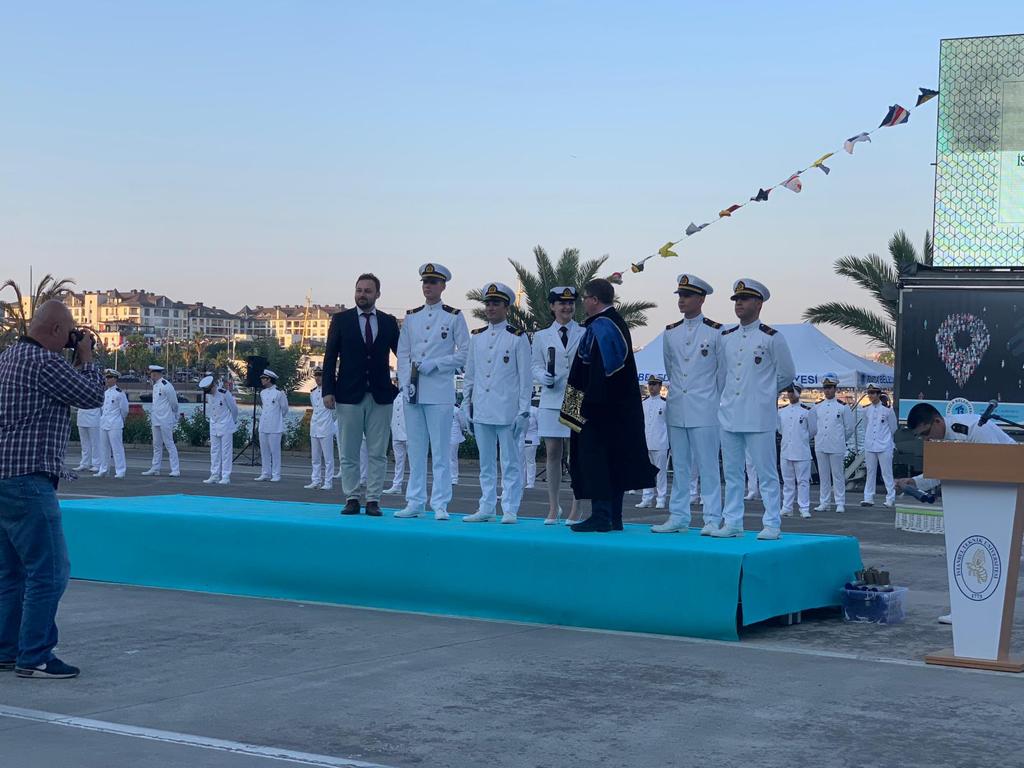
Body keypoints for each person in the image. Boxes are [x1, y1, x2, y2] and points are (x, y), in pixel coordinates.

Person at [0, 300, 104, 678]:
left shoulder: (8, 358)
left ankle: (7, 650)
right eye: (70, 333)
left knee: (10, 573)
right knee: (50, 572)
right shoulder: (44, 363)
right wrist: (87, 358)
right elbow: (92, 396)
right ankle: (37, 655)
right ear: (57, 330)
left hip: (4, 478)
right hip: (29, 480)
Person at [900, 402, 1016, 624]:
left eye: (925, 433)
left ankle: (985, 610)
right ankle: (967, 608)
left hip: (1005, 494)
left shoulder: (973, 428)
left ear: (937, 422)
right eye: (920, 437)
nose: (925, 440)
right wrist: (914, 481)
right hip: (972, 505)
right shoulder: (940, 441)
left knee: (996, 557)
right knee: (971, 556)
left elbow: (997, 463)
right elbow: (941, 471)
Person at [562, 279, 657, 532]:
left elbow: (602, 372)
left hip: (600, 409)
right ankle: (614, 516)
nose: (583, 302)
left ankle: (601, 515)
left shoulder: (604, 326)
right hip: (615, 409)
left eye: (585, 298)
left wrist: (586, 407)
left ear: (594, 300)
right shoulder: (611, 323)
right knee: (615, 459)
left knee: (598, 459)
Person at [713, 279, 795, 540]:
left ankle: (772, 523)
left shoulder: (771, 337)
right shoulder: (726, 337)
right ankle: (732, 521)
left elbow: (786, 374)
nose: (739, 303)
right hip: (730, 414)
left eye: (745, 299)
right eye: (736, 299)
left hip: (759, 415)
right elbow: (722, 375)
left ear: (758, 304)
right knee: (732, 473)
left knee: (766, 472)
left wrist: (764, 393)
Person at [395, 263, 470, 520]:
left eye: (433, 282)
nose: (428, 286)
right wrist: (404, 383)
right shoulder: (412, 316)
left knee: (440, 451)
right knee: (415, 450)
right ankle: (415, 501)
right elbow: (403, 353)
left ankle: (440, 503)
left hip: (439, 391)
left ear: (443, 286)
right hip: (413, 391)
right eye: (425, 282)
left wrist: (437, 364)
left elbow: (465, 353)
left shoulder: (453, 316)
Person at [322, 274, 401, 517]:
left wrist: (402, 384)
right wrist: (328, 390)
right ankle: (352, 497)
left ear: (378, 294)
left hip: (380, 395)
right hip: (348, 395)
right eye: (359, 290)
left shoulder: (388, 322)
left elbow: (403, 354)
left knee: (378, 452)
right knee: (348, 451)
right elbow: (330, 357)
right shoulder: (341, 320)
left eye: (367, 290)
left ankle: (373, 499)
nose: (362, 294)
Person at [653, 273, 724, 534]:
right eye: (680, 295)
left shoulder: (716, 331)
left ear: (701, 299)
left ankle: (712, 518)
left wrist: (711, 400)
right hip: (677, 407)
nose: (681, 300)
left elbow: (722, 374)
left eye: (687, 295)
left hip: (705, 408)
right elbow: (670, 368)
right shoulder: (670, 332)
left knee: (708, 466)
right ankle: (678, 516)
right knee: (680, 466)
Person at [461, 282, 533, 524]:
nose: (491, 308)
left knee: (510, 462)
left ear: (506, 307)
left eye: (496, 303)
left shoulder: (517, 338)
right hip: (482, 408)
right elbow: (470, 375)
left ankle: (510, 507)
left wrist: (523, 411)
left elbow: (525, 379)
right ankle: (487, 506)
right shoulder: (477, 337)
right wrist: (466, 405)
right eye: (488, 303)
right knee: (486, 463)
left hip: (507, 410)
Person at [531, 286, 586, 524]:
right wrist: (541, 376)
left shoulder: (584, 332)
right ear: (552, 306)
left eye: (570, 303)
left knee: (577, 455)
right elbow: (535, 364)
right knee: (553, 453)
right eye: (561, 303)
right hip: (551, 398)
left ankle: (577, 507)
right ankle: (554, 507)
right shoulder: (542, 336)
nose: (567, 307)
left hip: (575, 397)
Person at [813, 376, 854, 513]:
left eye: (830, 387)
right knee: (823, 476)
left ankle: (840, 502)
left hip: (836, 445)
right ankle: (824, 502)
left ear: (835, 389)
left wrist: (840, 439)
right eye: (825, 388)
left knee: (837, 475)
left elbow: (849, 428)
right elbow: (814, 426)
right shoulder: (817, 406)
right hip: (821, 444)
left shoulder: (843, 407)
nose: (827, 390)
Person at [777, 382, 817, 518]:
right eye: (789, 391)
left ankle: (804, 508)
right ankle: (787, 507)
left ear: (799, 393)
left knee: (803, 481)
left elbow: (813, 430)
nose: (790, 394)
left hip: (801, 451)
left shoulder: (807, 411)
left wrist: (801, 439)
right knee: (787, 482)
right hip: (786, 450)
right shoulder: (782, 411)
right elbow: (780, 430)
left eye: (793, 391)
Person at [860, 384, 897, 508]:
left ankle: (890, 498)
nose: (870, 395)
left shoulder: (887, 410)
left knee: (887, 473)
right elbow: (866, 426)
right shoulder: (866, 410)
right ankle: (868, 497)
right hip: (870, 444)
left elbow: (893, 427)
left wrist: (886, 439)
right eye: (869, 393)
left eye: (873, 393)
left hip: (884, 445)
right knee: (870, 472)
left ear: (878, 394)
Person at [141, 364, 180, 477]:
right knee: (156, 445)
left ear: (156, 374)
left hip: (165, 419)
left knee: (169, 444)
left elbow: (174, 403)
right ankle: (155, 468)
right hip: (156, 419)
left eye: (152, 374)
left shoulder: (166, 385)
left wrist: (174, 415)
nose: (151, 376)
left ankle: (175, 469)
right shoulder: (155, 386)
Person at [637, 376, 669, 510]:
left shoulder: (665, 404)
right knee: (646, 472)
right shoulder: (644, 403)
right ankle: (647, 498)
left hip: (660, 442)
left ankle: (661, 499)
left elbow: (669, 424)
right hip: (646, 442)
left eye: (655, 384)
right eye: (650, 384)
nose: (651, 387)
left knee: (661, 473)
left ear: (660, 386)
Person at [200, 374, 238, 485]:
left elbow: (234, 409)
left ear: (213, 386)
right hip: (214, 425)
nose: (209, 393)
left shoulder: (224, 393)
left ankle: (226, 476)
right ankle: (214, 475)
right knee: (214, 451)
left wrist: (232, 422)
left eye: (209, 390)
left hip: (225, 425)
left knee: (226, 452)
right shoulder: (209, 396)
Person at [255, 369, 288, 482]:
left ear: (269, 379)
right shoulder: (262, 393)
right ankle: (265, 473)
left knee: (275, 451)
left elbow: (284, 409)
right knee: (264, 451)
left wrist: (277, 418)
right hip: (264, 424)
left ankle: (276, 474)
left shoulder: (279, 393)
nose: (262, 380)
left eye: (263, 378)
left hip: (275, 426)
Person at [305, 368, 336, 491]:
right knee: (315, 457)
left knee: (328, 458)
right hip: (315, 426)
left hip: (326, 427)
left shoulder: (330, 393)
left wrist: (332, 424)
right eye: (316, 376)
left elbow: (335, 410)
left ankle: (328, 482)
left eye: (320, 376)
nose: (317, 378)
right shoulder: (312, 392)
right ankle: (316, 480)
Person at [95, 369, 129, 479]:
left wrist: (120, 420)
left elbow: (124, 410)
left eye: (109, 377)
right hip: (104, 422)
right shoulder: (105, 393)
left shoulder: (120, 393)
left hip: (115, 424)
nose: (107, 380)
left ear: (115, 379)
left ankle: (120, 470)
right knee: (103, 448)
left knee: (117, 448)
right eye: (106, 377)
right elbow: (102, 409)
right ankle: (103, 469)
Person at [384, 380, 407, 495]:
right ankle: (397, 485)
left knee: (415, 463)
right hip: (396, 433)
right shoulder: (395, 395)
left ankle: (415, 487)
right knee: (398, 463)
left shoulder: (410, 395)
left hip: (408, 434)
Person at [73, 401, 101, 472]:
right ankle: (84, 463)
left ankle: (96, 464)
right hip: (81, 417)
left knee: (95, 443)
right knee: (84, 444)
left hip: (94, 418)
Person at [520, 402, 540, 490]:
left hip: (532, 438)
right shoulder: (519, 409)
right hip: (521, 438)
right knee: (521, 462)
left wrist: (538, 436)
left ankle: (530, 482)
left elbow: (539, 424)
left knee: (530, 462)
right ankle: (522, 481)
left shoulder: (535, 410)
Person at [450, 401, 468, 483]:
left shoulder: (456, 410)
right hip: (452, 436)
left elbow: (463, 423)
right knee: (452, 457)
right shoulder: (456, 409)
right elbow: (463, 424)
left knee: (451, 457)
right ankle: (452, 477)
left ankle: (453, 477)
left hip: (453, 436)